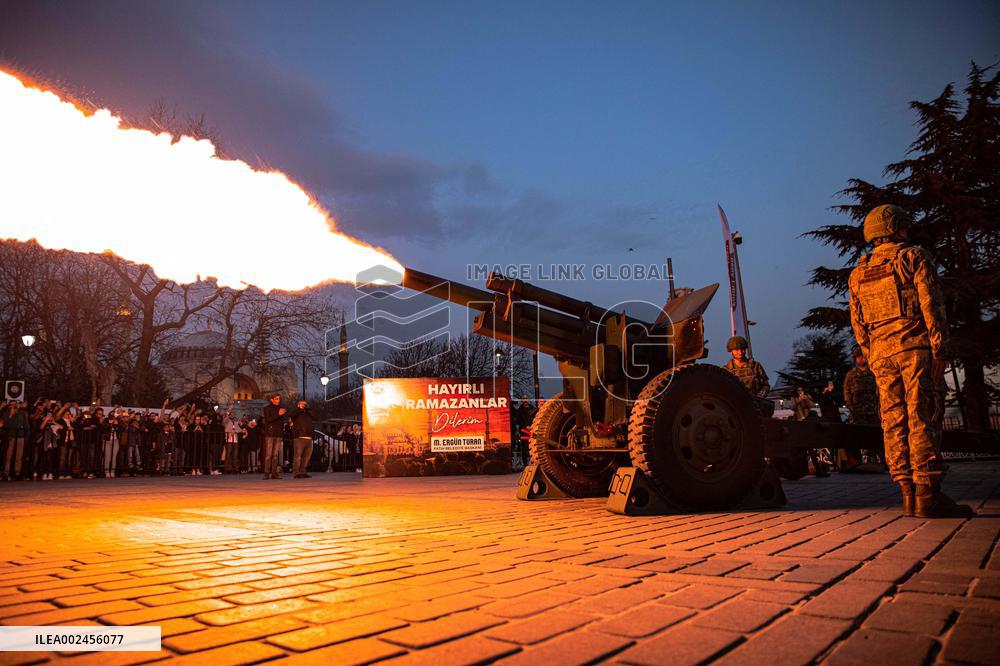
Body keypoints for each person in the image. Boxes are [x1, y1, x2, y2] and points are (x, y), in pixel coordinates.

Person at [849, 204, 971, 518]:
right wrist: (940, 347)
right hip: (914, 349)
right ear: (897, 228)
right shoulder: (913, 257)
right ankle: (927, 493)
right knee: (922, 415)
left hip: (881, 355)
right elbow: (931, 304)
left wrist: (871, 352)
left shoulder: (859, 272)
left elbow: (858, 323)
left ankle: (906, 492)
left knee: (893, 421)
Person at [261, 393, 287, 479]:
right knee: (268, 455)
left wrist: (282, 431)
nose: (278, 400)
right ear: (272, 400)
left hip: (278, 434)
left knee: (275, 455)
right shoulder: (267, 408)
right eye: (276, 399)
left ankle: (274, 473)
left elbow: (281, 422)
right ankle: (266, 473)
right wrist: (278, 414)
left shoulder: (280, 408)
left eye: (279, 399)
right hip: (270, 434)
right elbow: (268, 419)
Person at [286, 400, 314, 478]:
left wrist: (308, 409)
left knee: (306, 456)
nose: (304, 405)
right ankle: (296, 472)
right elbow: (292, 414)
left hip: (309, 437)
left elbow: (315, 416)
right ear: (298, 405)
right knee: (297, 456)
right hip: (299, 437)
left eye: (305, 404)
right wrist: (300, 409)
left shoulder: (308, 413)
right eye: (302, 404)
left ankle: (303, 471)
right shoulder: (296, 412)